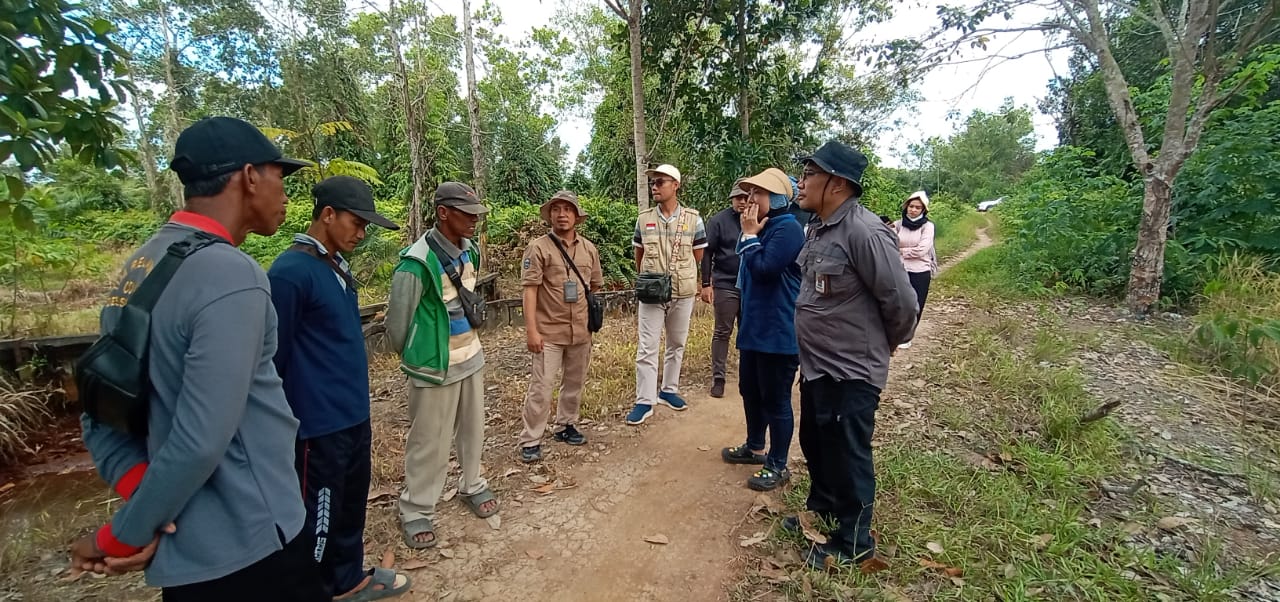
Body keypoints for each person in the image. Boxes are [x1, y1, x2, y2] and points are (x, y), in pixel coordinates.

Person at [71, 116, 329, 600]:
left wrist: (147, 500)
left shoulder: (142, 266)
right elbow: (200, 439)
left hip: (191, 556)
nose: (286, 193)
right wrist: (125, 532)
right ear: (250, 176)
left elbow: (99, 406)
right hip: (254, 544)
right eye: (281, 177)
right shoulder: (231, 275)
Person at [268, 175, 411, 600]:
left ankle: (348, 579)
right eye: (356, 222)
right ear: (327, 215)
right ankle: (316, 588)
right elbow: (272, 356)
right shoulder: (292, 272)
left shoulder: (333, 267)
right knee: (319, 515)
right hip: (317, 423)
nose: (362, 234)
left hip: (351, 415)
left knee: (351, 505)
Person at [790, 141, 918, 570]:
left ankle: (854, 541)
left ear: (838, 184)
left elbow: (901, 301)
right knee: (817, 441)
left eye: (810, 174)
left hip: (851, 369)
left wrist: (888, 345)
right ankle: (825, 510)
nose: (801, 181)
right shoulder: (819, 227)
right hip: (817, 365)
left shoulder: (864, 232)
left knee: (848, 451)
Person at [386, 182, 499, 549]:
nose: (473, 221)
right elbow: (397, 325)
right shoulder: (416, 263)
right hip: (435, 365)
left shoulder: (471, 252)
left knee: (472, 430)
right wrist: (418, 353)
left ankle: (472, 484)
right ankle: (417, 508)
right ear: (443, 213)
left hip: (471, 357)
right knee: (429, 440)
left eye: (476, 215)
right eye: (466, 214)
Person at [718, 168, 804, 492]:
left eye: (758, 193)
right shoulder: (761, 226)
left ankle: (778, 463)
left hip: (779, 332)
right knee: (749, 389)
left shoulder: (788, 229)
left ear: (779, 198)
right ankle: (755, 447)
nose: (750, 200)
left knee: (776, 398)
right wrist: (751, 233)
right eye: (749, 193)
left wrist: (750, 235)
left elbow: (765, 270)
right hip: (755, 327)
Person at [517, 190, 604, 463]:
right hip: (548, 332)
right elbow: (529, 291)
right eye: (556, 209)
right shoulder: (538, 248)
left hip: (580, 330)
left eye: (568, 209)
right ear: (550, 215)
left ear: (577, 216)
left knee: (574, 383)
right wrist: (532, 330)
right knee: (541, 388)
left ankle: (565, 425)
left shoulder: (589, 249)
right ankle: (531, 439)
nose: (562, 214)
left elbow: (596, 285)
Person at [626, 164, 709, 425]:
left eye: (660, 182)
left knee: (677, 343)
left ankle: (668, 390)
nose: (655, 187)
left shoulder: (693, 219)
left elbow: (699, 255)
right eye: (653, 183)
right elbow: (638, 255)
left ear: (675, 185)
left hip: (682, 293)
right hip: (651, 293)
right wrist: (650, 277)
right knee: (647, 346)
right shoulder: (643, 218)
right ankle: (644, 400)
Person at [700, 181, 748, 398]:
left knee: (749, 330)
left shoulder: (760, 220)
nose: (742, 201)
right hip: (726, 283)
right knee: (722, 331)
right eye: (738, 197)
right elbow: (707, 253)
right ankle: (718, 378)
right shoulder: (719, 221)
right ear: (732, 198)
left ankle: (748, 374)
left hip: (751, 284)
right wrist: (706, 284)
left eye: (746, 197)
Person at [892, 191, 937, 350]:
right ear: (906, 207)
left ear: (923, 210)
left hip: (920, 271)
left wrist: (901, 251)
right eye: (911, 206)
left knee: (915, 304)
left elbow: (922, 249)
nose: (913, 210)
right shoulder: (898, 224)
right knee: (898, 302)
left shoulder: (928, 226)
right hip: (899, 269)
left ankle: (907, 336)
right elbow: (889, 242)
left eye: (918, 207)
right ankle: (895, 333)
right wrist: (904, 250)